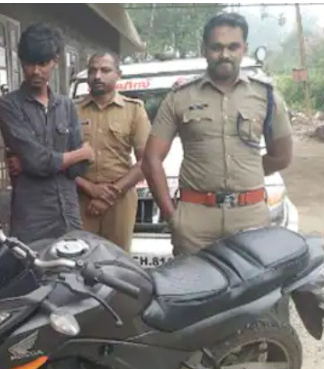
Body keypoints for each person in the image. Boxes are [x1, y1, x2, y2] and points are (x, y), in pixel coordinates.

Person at [142, 12, 293, 256]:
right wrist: (172, 216)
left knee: (251, 281)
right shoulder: (180, 97)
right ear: (204, 49)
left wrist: (245, 174)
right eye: (216, 47)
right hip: (195, 220)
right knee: (193, 280)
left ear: (245, 49)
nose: (225, 54)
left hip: (250, 217)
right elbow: (151, 159)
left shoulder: (266, 96)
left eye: (233, 47)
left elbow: (282, 156)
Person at [0, 22, 94, 244]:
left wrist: (33, 164)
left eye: (42, 63)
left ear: (54, 61)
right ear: (21, 62)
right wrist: (80, 154)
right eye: (29, 63)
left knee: (76, 265)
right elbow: (38, 161)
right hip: (32, 220)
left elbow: (79, 169)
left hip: (68, 215)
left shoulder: (66, 106)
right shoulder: (9, 105)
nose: (36, 71)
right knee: (30, 266)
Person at [75, 53, 151, 251]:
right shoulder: (72, 111)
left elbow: (146, 162)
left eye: (105, 70)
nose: (97, 76)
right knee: (80, 258)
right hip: (80, 198)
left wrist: (110, 194)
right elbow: (60, 160)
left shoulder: (134, 110)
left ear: (118, 74)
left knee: (118, 259)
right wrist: (89, 189)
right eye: (92, 70)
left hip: (120, 199)